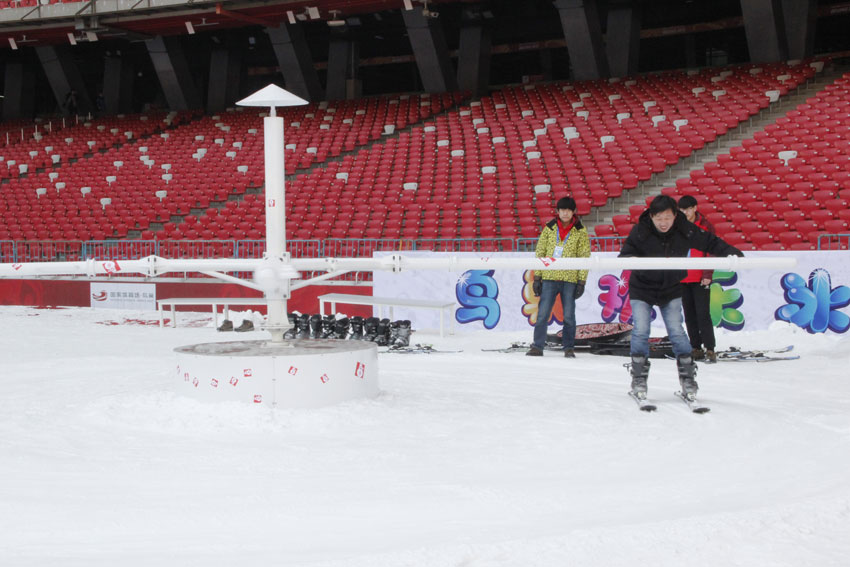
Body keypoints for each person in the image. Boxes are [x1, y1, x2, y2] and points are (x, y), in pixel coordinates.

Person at [618, 195, 743, 401]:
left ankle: (687, 378)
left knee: (676, 331)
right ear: (651, 216)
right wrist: (634, 260)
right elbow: (625, 255)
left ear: (675, 216)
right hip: (643, 288)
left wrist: (732, 253)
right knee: (640, 330)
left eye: (667, 217)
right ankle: (639, 377)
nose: (663, 223)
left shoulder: (685, 229)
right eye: (659, 218)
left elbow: (709, 242)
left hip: (671, 287)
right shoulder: (641, 230)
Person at [527, 196, 591, 358]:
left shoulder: (580, 230)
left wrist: (581, 281)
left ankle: (569, 347)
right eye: (562, 210)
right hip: (549, 277)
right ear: (558, 211)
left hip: (570, 279)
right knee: (542, 314)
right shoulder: (549, 228)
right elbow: (540, 252)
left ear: (573, 212)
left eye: (568, 210)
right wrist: (537, 277)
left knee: (569, 315)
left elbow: (584, 256)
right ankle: (537, 346)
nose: (565, 213)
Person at [678, 195, 717, 363]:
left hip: (700, 277)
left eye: (687, 209)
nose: (685, 213)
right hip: (683, 277)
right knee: (689, 314)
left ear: (695, 208)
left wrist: (707, 274)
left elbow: (711, 250)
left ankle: (710, 348)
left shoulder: (706, 226)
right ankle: (695, 347)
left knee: (703, 314)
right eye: (682, 210)